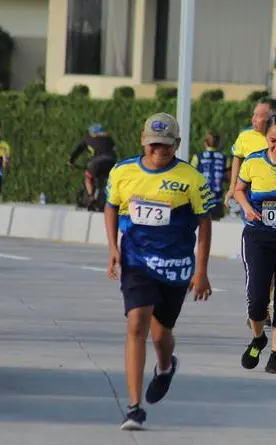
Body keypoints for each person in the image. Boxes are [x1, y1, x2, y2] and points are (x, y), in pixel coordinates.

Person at [104, 112, 215, 430]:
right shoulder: (123, 171)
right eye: (153, 145)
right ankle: (134, 406)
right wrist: (113, 247)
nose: (159, 151)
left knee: (161, 333)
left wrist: (202, 270)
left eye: (166, 146)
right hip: (137, 261)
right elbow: (111, 206)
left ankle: (165, 367)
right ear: (143, 141)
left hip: (176, 266)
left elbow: (205, 223)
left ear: (177, 144)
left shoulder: (191, 179)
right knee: (137, 322)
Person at [234, 115, 276, 374]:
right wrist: (248, 208)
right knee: (257, 298)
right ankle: (258, 337)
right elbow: (239, 189)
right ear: (265, 139)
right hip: (258, 236)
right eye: (272, 140)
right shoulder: (252, 161)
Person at [226, 98, 276, 327]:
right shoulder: (245, 137)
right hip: (255, 208)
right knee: (259, 263)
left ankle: (267, 304)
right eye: (254, 114)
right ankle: (259, 305)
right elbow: (237, 162)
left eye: (259, 115)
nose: (253, 119)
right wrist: (233, 189)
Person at [69, 123, 118, 204]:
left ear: (92, 132)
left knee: (88, 177)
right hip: (111, 162)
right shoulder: (109, 138)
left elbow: (77, 150)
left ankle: (91, 198)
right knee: (111, 180)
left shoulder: (88, 138)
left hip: (97, 162)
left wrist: (71, 161)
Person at [191, 130, 228, 220]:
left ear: (205, 143)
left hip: (201, 200)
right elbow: (228, 176)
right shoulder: (224, 158)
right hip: (217, 201)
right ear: (218, 143)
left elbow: (191, 175)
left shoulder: (198, 156)